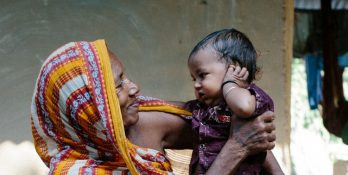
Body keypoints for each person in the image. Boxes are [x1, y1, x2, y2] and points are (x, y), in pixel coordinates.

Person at [31, 39, 276, 175]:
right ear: (89, 110)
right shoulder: (76, 172)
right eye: (118, 86)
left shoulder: (145, 121)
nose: (134, 87)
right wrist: (237, 149)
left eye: (125, 77)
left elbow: (237, 128)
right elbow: (240, 141)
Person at [185, 28, 283, 174]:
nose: (196, 84)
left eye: (202, 75)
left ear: (234, 69)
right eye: (194, 78)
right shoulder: (204, 107)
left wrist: (230, 84)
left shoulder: (250, 96)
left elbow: (243, 108)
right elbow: (177, 109)